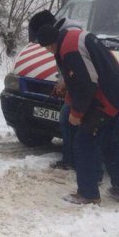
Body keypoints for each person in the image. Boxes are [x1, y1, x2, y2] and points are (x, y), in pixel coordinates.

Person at [36, 21, 119, 205]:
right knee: (109, 141)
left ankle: (88, 194)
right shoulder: (71, 37)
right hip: (118, 90)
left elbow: (87, 83)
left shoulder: (69, 49)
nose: (49, 52)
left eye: (47, 48)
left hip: (106, 97)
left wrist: (77, 112)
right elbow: (82, 74)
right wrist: (67, 85)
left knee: (83, 142)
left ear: (50, 44)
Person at [28, 10, 75, 170]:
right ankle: (71, 158)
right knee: (66, 119)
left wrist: (65, 82)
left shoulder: (69, 35)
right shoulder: (59, 36)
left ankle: (71, 159)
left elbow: (74, 66)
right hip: (72, 84)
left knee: (67, 119)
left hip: (81, 87)